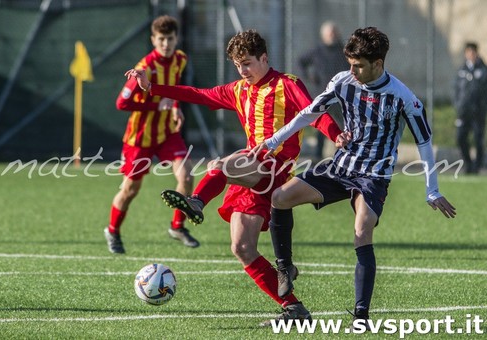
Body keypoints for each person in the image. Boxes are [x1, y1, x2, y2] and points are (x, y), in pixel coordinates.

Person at [125, 29, 348, 325]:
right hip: (251, 170)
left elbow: (315, 113)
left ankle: (196, 202)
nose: (243, 71)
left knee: (223, 164)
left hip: (274, 170)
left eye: (248, 63)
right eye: (238, 65)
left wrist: (335, 135)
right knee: (242, 248)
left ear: (264, 58)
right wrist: (153, 87)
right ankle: (294, 309)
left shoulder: (286, 85)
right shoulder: (239, 90)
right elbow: (198, 95)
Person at [250, 27, 456, 327]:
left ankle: (361, 316)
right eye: (350, 63)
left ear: (378, 64)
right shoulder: (343, 82)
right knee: (280, 197)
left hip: (374, 176)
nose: (352, 70)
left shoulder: (403, 97)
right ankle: (285, 268)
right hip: (340, 168)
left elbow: (424, 141)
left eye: (358, 65)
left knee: (362, 229)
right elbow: (308, 113)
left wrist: (432, 190)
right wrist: (271, 142)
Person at [104, 15, 199, 254]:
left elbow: (173, 91)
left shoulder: (180, 59)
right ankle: (112, 231)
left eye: (170, 38)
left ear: (177, 38)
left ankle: (177, 226)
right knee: (130, 190)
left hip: (167, 132)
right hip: (141, 137)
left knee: (187, 177)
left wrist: (175, 108)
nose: (166, 44)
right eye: (161, 39)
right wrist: (156, 106)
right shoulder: (143, 68)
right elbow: (120, 104)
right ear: (153, 40)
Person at [298, 21, 349, 160]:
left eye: (334, 32)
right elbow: (301, 62)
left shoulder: (344, 51)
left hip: (341, 95)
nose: (332, 35)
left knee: (343, 125)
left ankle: (343, 154)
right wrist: (309, 77)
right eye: (329, 33)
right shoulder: (317, 52)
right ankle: (317, 156)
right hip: (323, 94)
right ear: (324, 35)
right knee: (322, 125)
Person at [453, 42, 487, 174]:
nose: (471, 54)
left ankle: (476, 167)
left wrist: (482, 106)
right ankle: (468, 163)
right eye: (468, 52)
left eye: (473, 52)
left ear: (476, 53)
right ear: (465, 54)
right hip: (463, 112)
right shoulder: (462, 70)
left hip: (478, 112)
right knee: (460, 137)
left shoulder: (483, 70)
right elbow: (456, 89)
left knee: (478, 139)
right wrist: (458, 105)